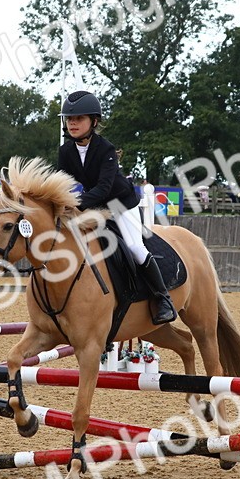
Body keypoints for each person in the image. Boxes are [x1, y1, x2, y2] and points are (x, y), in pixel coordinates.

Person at [57, 90, 175, 325]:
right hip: (95, 204)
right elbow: (62, 182)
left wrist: (76, 203)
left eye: (79, 118)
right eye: (69, 119)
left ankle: (163, 299)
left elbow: (103, 188)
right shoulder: (65, 151)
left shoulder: (106, 149)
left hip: (121, 203)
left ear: (94, 121)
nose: (72, 123)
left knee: (134, 246)